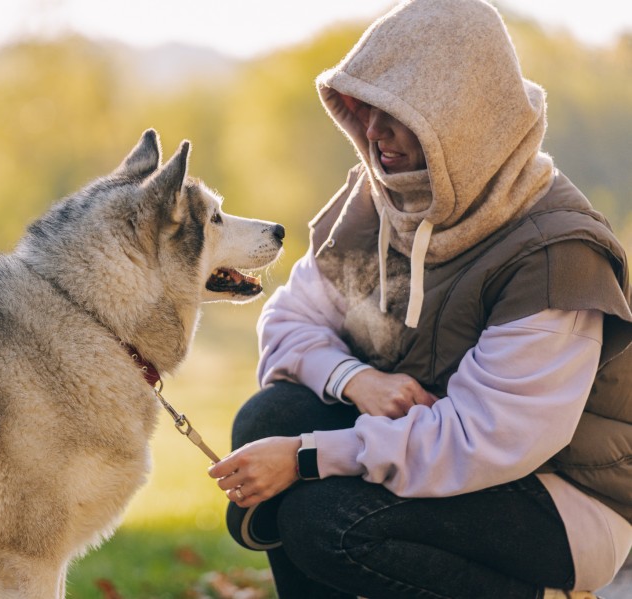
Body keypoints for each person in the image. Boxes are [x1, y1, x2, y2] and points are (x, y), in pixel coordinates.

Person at [206, 0, 632, 597]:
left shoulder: (556, 254)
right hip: (432, 448)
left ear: (463, 119)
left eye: (400, 114)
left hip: (558, 496)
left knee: (327, 521)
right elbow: (290, 319)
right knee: (268, 417)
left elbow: (484, 439)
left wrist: (306, 456)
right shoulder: (383, 202)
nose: (375, 132)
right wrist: (355, 379)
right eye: (367, 109)